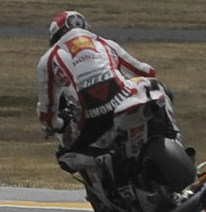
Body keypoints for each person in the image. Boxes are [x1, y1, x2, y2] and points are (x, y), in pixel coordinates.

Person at [35, 10, 174, 163]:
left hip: (89, 119)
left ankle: (102, 163)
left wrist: (59, 125)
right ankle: (174, 137)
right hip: (122, 99)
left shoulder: (47, 60)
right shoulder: (105, 43)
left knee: (64, 153)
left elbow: (47, 115)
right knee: (158, 87)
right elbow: (146, 71)